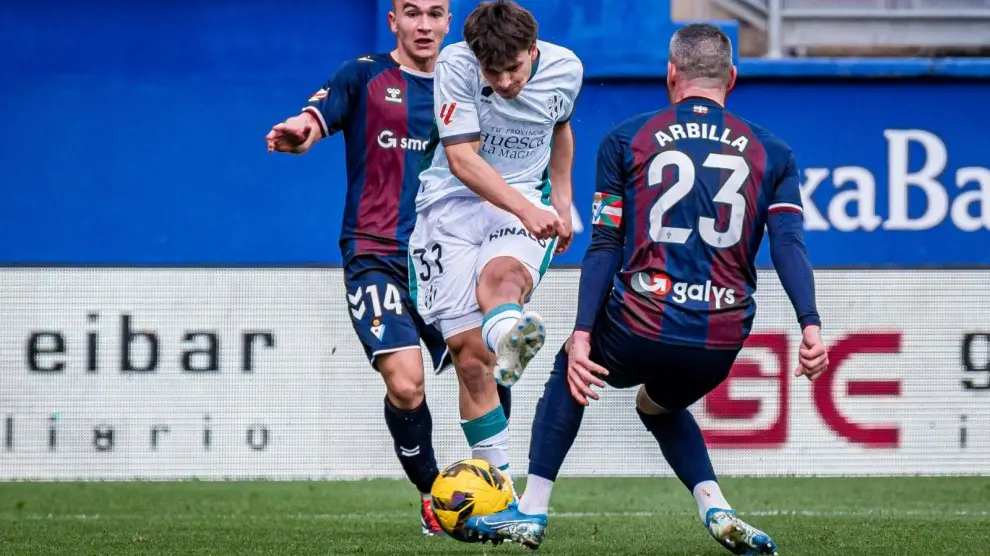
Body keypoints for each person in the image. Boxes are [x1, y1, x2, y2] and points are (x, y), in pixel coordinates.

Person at [463, 23, 829, 554]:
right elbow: (789, 244)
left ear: (671, 74)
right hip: (721, 336)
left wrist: (584, 331)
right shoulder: (773, 152)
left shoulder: (626, 138)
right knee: (658, 406)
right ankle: (716, 508)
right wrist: (810, 325)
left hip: (642, 318)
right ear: (732, 77)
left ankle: (531, 511)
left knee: (571, 368)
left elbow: (606, 244)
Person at [264, 0, 511, 536]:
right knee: (405, 385)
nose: (424, 25)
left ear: (450, 22)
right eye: (412, 13)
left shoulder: (472, 81)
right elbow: (316, 117)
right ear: (393, 20)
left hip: (446, 251)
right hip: (375, 252)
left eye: (435, 14)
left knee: (480, 364)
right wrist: (302, 131)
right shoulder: (365, 74)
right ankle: (432, 494)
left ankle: (495, 485)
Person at [409, 0, 583, 489]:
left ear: (533, 49)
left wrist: (561, 201)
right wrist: (525, 210)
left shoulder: (567, 67)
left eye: (514, 68)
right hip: (449, 207)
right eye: (495, 71)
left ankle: (508, 329)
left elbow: (561, 128)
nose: (505, 82)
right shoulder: (456, 64)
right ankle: (500, 490)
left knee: (500, 279)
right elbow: (462, 159)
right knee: (469, 358)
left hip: (527, 195)